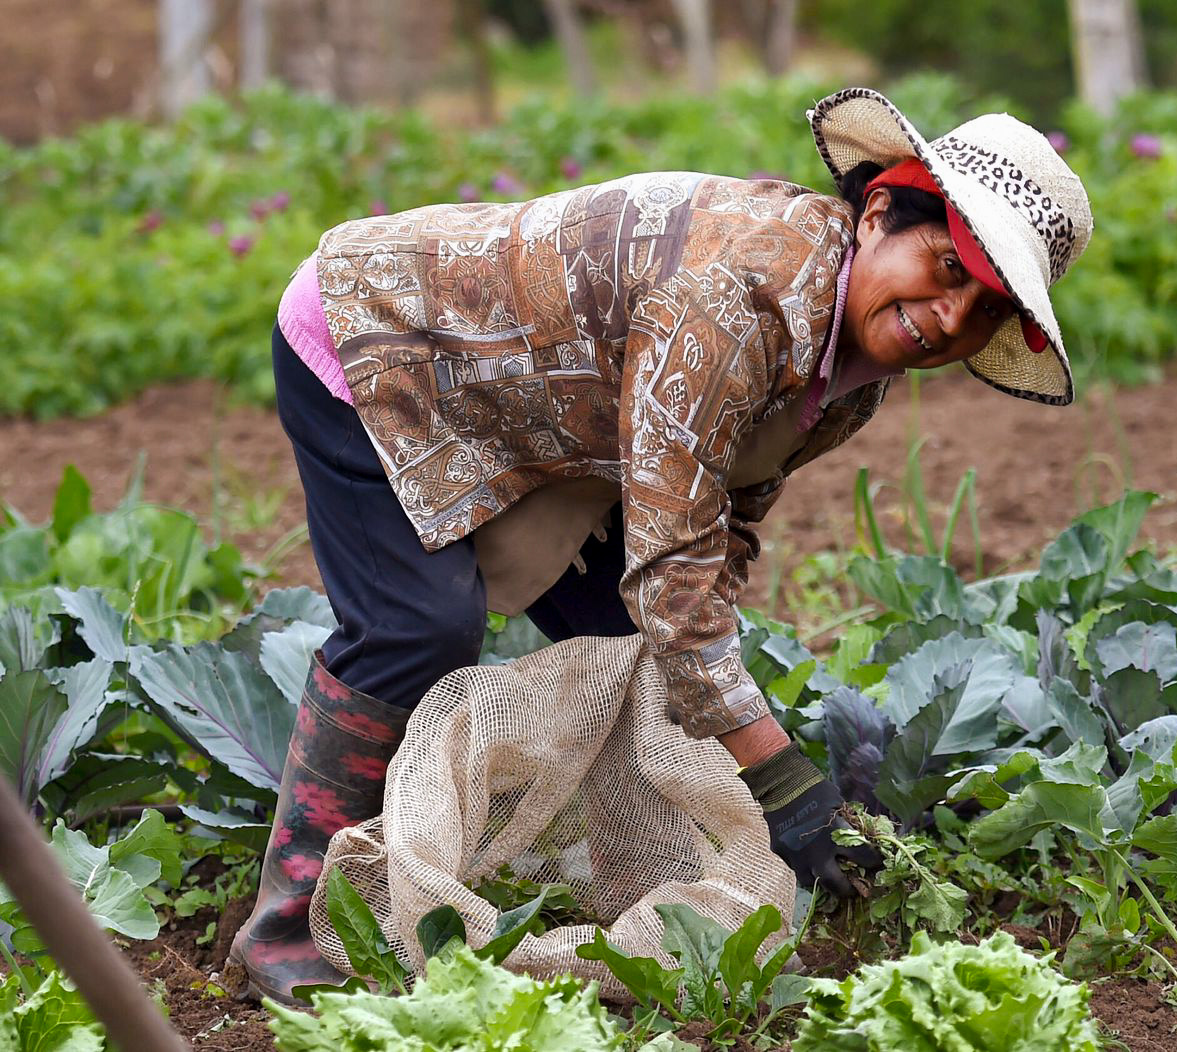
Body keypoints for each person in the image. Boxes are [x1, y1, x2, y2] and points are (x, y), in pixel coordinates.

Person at [232, 86, 1093, 1003]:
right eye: (945, 266)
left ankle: (641, 893)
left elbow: (717, 523)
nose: (953, 317)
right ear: (879, 210)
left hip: (553, 412)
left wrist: (726, 719)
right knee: (419, 627)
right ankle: (286, 928)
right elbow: (673, 569)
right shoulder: (738, 300)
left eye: (988, 308)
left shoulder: (854, 382)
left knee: (632, 649)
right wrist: (778, 776)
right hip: (383, 340)